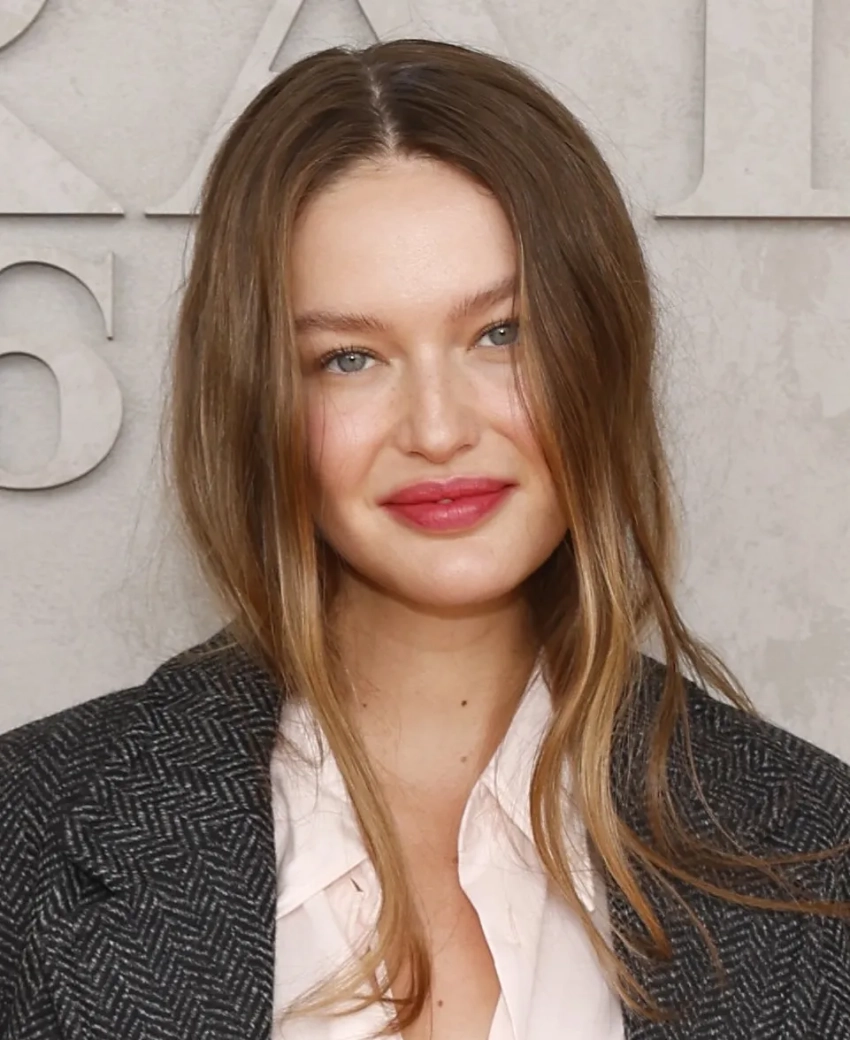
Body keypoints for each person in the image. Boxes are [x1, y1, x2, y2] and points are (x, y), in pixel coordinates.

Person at [1, 37, 848, 1040]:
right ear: (257, 399)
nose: (438, 429)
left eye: (501, 333)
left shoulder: (817, 851)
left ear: (599, 352)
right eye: (349, 357)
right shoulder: (26, 838)